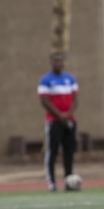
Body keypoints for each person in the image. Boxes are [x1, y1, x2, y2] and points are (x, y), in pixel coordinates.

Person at [38, 51, 79, 192]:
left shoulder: (70, 79)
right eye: (55, 61)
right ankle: (51, 183)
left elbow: (75, 100)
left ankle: (68, 181)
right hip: (53, 121)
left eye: (60, 61)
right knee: (52, 151)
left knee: (69, 152)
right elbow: (44, 101)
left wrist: (67, 115)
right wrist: (60, 115)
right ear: (51, 63)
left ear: (63, 62)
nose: (57, 63)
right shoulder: (45, 80)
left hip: (69, 120)